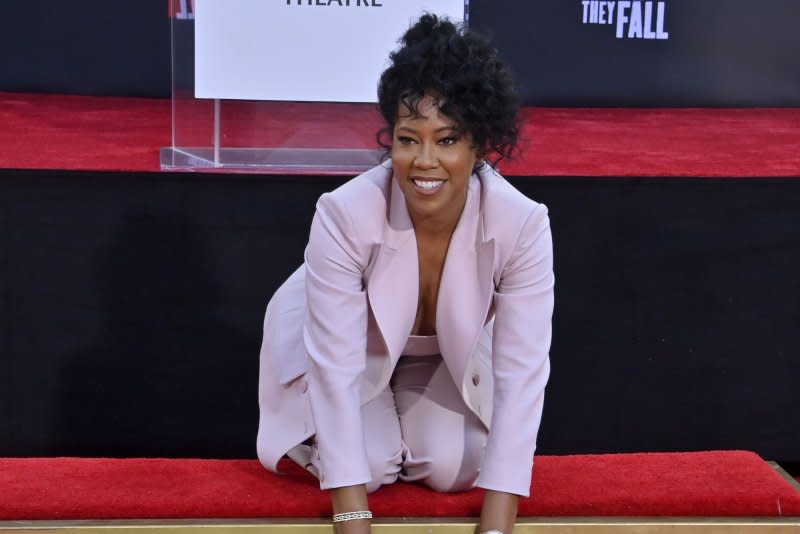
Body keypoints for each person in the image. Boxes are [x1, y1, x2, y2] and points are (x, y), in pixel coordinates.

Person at [256, 14, 554, 534]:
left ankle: (391, 430)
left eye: (447, 139)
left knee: (455, 467)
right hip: (346, 347)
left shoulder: (523, 223)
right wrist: (352, 519)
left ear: (479, 145)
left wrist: (498, 528)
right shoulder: (344, 212)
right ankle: (349, 438)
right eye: (407, 138)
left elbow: (522, 374)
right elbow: (336, 367)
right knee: (366, 469)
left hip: (436, 356)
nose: (424, 161)